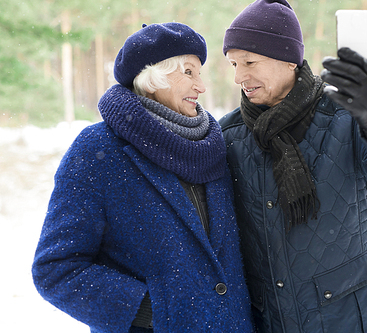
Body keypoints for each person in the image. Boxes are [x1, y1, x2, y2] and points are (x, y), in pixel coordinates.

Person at [218, 1, 367, 332]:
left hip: (357, 319)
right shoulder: (229, 136)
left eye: (249, 62)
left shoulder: (346, 114)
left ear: (289, 60)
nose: (238, 76)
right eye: (233, 63)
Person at [32, 22, 253, 333]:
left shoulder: (213, 148)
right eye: (188, 72)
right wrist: (150, 311)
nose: (201, 86)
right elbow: (56, 269)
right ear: (152, 80)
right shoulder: (99, 151)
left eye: (200, 73)